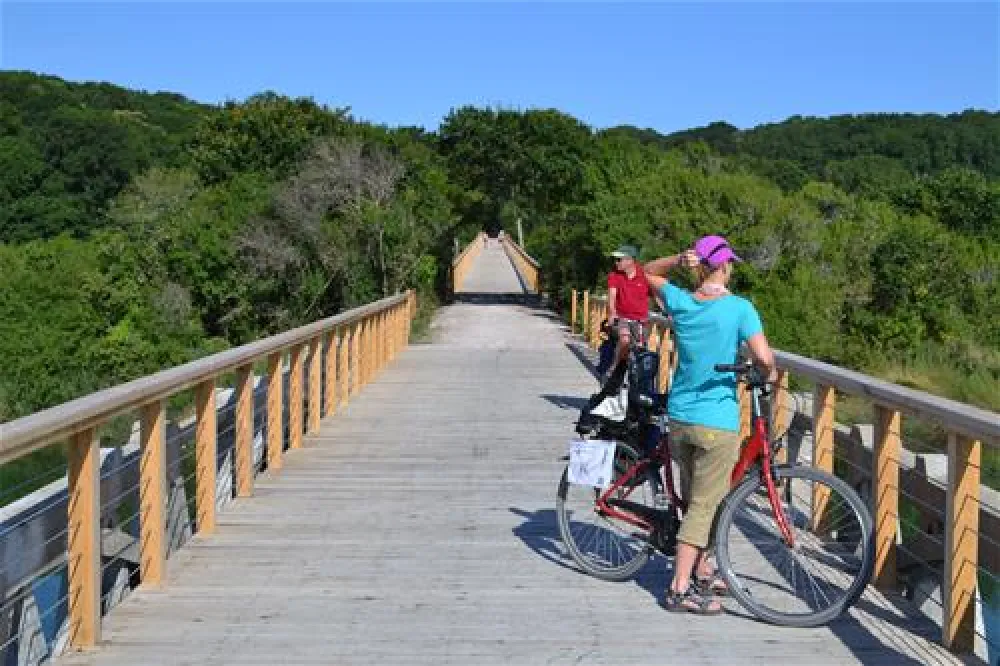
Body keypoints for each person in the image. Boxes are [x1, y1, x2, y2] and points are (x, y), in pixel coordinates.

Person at [643, 234, 776, 615]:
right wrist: (768, 371)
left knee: (697, 499)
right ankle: (679, 589)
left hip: (681, 418)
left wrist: (675, 260)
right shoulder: (740, 309)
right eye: (729, 262)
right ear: (724, 266)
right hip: (716, 422)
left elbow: (647, 272)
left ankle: (701, 569)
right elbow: (764, 357)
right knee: (704, 505)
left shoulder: (683, 303)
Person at [606, 244, 650, 380]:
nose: (616, 262)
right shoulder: (614, 276)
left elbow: (658, 295)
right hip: (622, 317)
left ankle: (637, 379)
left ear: (630, 260)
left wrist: (669, 312)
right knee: (625, 340)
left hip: (641, 320)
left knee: (640, 349)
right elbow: (612, 297)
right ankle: (614, 368)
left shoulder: (645, 275)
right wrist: (612, 313)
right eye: (616, 260)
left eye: (619, 260)